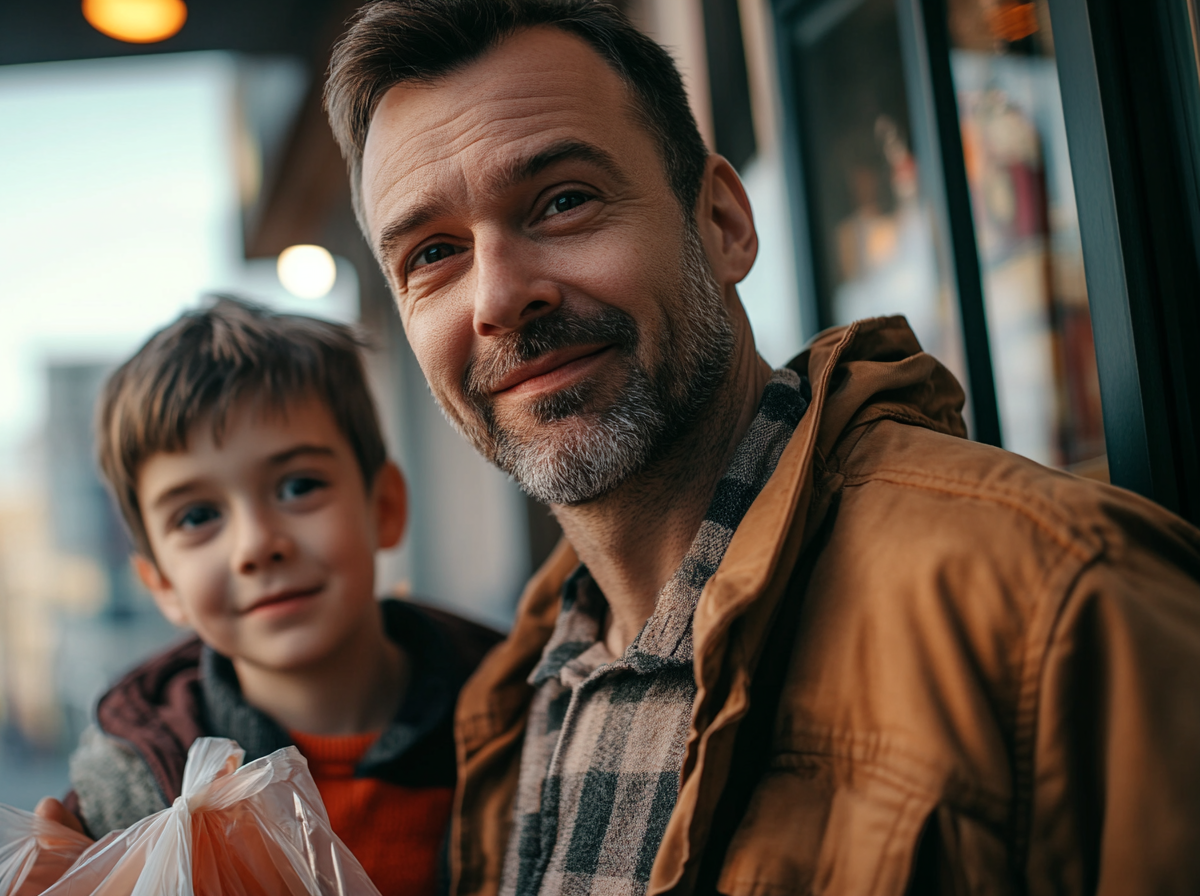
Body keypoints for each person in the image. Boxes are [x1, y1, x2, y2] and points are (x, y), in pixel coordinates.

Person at [322, 1, 1200, 894]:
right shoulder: (509, 706)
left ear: (724, 222)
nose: (499, 297)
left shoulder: (1055, 600)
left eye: (563, 200)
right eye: (433, 254)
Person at [36, 296, 501, 896]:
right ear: (161, 583)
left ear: (383, 507)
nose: (256, 545)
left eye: (298, 485)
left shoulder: (521, 720)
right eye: (198, 515)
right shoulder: (127, 798)